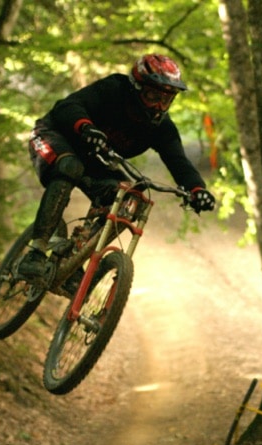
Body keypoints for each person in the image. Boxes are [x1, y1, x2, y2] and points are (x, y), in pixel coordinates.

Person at [19, 53, 216, 280]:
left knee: (127, 198)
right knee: (70, 167)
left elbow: (179, 162)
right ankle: (35, 253)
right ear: (136, 87)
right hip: (54, 135)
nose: (159, 106)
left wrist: (197, 190)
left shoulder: (162, 128)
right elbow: (67, 107)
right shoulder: (114, 90)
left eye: (167, 99)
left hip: (94, 158)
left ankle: (72, 261)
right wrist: (85, 127)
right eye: (153, 96)